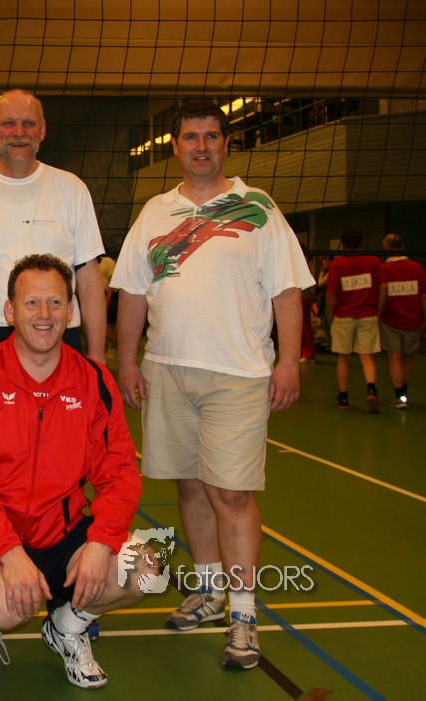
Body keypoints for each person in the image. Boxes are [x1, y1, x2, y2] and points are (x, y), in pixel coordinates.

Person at [111, 100, 314, 671]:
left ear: (226, 144)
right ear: (175, 147)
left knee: (231, 493)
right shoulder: (154, 212)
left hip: (239, 373)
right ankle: (208, 591)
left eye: (211, 136)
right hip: (167, 369)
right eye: (190, 137)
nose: (201, 146)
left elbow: (287, 291)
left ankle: (244, 616)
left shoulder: (258, 208)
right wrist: (127, 363)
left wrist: (289, 362)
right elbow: (131, 293)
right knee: (191, 486)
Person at [0, 254, 145, 690]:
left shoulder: (93, 380)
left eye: (55, 303)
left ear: (70, 311)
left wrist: (101, 542)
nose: (44, 314)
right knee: (9, 606)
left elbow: (120, 473)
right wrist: (10, 554)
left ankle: (67, 625)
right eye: (31, 303)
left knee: (151, 565)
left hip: (61, 532)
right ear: (9, 311)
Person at [0, 89, 107, 386]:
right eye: (8, 123)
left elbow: (89, 279)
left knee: (62, 419)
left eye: (28, 123)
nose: (19, 132)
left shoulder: (72, 189)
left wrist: (97, 355)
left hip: (58, 334)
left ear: (42, 131)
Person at [326, 227, 381, 412]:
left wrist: (330, 315)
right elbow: (382, 288)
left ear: (343, 244)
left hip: (343, 316)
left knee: (343, 358)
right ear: (361, 243)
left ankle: (343, 398)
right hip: (368, 314)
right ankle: (371, 388)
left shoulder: (337, 264)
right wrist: (378, 310)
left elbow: (331, 294)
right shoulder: (373, 262)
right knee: (366, 356)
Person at [378, 233, 426, 409]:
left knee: (394, 356)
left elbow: (382, 292)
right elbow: (424, 297)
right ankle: (404, 393)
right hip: (413, 320)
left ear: (386, 248)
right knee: (408, 356)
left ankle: (399, 396)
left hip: (390, 321)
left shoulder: (384, 270)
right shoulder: (417, 268)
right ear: (403, 247)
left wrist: (377, 314)